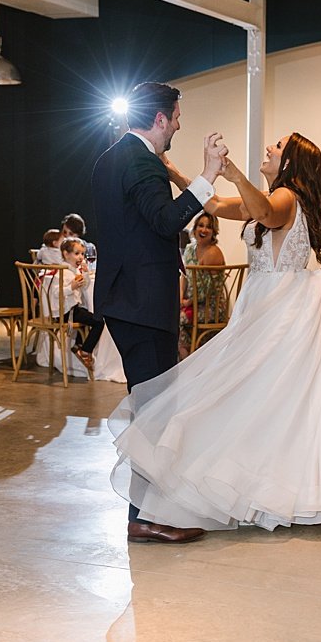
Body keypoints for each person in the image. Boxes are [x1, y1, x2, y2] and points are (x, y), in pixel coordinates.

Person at [109, 132, 321, 532]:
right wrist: (177, 174)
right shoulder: (272, 197)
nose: (268, 148)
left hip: (280, 310)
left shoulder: (287, 196)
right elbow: (216, 205)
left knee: (262, 396)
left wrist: (234, 173)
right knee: (265, 399)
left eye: (277, 146)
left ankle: (264, 486)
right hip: (264, 305)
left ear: (289, 162)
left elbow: (268, 214)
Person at [92, 80, 226, 546]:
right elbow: (166, 221)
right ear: (161, 119)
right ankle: (144, 516)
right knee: (156, 414)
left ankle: (147, 510)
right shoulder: (143, 162)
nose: (179, 125)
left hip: (122, 300)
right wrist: (207, 174)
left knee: (151, 409)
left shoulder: (109, 158)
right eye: (176, 117)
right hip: (144, 305)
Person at [43, 237, 104, 370]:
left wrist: (85, 274)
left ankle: (79, 346)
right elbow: (55, 293)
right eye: (77, 253)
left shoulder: (73, 270)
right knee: (99, 322)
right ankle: (85, 350)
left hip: (73, 309)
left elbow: (84, 285)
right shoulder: (62, 272)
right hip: (66, 312)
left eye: (82, 254)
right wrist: (71, 287)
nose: (81, 257)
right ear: (66, 254)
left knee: (90, 318)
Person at [177, 211, 226, 358]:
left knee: (176, 318)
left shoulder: (213, 253)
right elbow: (184, 277)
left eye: (208, 227)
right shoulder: (190, 249)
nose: (203, 230)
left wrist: (187, 302)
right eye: (200, 226)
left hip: (211, 306)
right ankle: (186, 353)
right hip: (193, 304)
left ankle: (187, 358)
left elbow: (208, 290)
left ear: (214, 232)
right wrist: (180, 298)